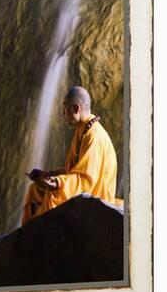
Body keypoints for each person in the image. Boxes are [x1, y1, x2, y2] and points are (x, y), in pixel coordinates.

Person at [22, 86, 122, 225]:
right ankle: (26, 236)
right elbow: (73, 171)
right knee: (35, 190)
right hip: (81, 187)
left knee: (54, 195)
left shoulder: (94, 136)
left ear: (76, 108)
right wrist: (47, 175)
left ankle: (39, 241)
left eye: (65, 108)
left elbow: (86, 181)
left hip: (97, 196)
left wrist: (58, 182)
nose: (63, 113)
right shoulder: (83, 130)